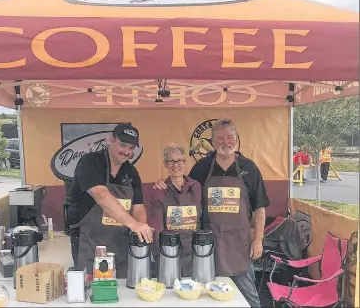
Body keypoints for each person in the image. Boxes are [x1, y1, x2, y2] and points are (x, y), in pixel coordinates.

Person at [154, 117, 269, 307]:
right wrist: (163, 183)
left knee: (248, 296)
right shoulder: (202, 167)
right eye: (221, 138)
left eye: (230, 137)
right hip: (205, 245)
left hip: (239, 244)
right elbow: (182, 188)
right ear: (213, 142)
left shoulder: (250, 168)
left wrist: (258, 239)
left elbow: (259, 208)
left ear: (236, 139)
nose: (226, 142)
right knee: (206, 296)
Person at [68, 123, 154, 278]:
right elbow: (101, 195)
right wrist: (133, 224)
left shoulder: (131, 172)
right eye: (122, 145)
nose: (126, 151)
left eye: (131, 148)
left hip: (120, 244)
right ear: (111, 140)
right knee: (93, 289)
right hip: (90, 243)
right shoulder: (89, 162)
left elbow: (138, 208)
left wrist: (141, 233)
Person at [149, 144, 202, 277]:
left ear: (185, 162)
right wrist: (159, 252)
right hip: (170, 249)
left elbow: (202, 218)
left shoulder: (196, 186)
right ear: (165, 164)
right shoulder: (159, 190)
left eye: (179, 160)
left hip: (194, 249)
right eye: (171, 161)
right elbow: (157, 225)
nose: (175, 165)